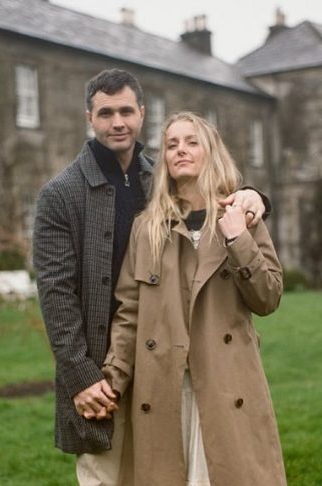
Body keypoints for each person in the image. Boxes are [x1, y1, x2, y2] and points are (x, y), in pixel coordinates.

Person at [32, 70, 269, 485]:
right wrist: (82, 378)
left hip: (164, 364)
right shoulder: (61, 194)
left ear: (142, 114)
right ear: (89, 117)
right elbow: (56, 296)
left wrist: (255, 196)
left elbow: (208, 192)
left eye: (126, 111)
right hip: (101, 373)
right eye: (106, 113)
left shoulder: (157, 180)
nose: (117, 122)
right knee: (105, 478)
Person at [100, 112, 287, 485]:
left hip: (227, 382)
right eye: (172, 145)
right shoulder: (147, 228)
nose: (180, 150)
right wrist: (113, 377)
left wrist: (238, 239)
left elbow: (268, 298)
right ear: (165, 160)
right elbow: (129, 313)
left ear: (210, 152)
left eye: (191, 142)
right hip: (163, 386)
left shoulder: (241, 216)